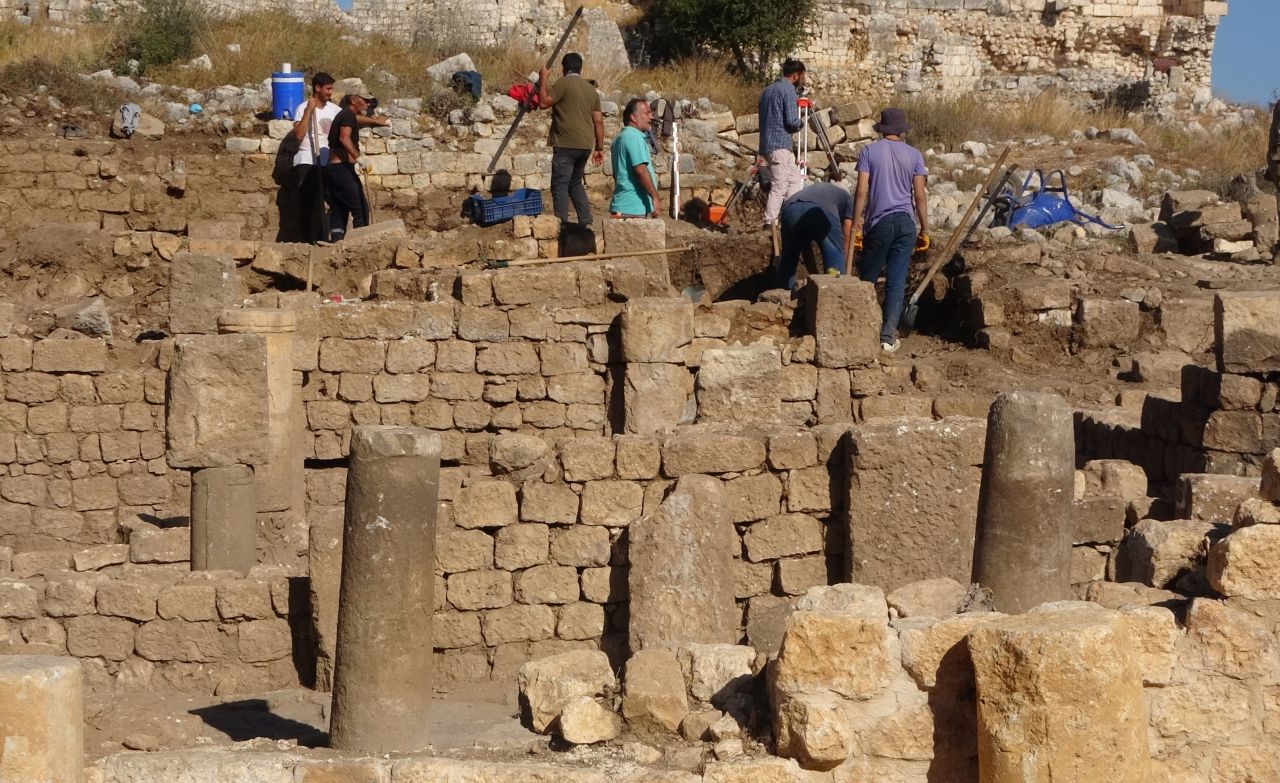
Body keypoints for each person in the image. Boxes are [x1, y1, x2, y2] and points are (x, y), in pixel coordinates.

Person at [853, 107, 929, 354]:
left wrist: (856, 224)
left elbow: (862, 192)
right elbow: (919, 196)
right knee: (896, 281)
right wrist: (925, 229)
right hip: (906, 224)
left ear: (882, 129)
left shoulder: (869, 152)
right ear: (901, 130)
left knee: (867, 279)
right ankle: (887, 338)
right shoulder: (914, 155)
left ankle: (860, 331)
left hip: (879, 222)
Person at [538, 52, 605, 227]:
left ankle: (562, 226)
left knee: (560, 184)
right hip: (585, 145)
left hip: (566, 144)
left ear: (563, 68)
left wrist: (543, 78)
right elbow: (598, 121)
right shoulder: (591, 90)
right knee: (575, 183)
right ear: (580, 68)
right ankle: (586, 221)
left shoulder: (563, 83)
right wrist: (599, 148)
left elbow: (544, 102)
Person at [323, 93, 382, 242]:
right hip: (341, 169)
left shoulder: (345, 115)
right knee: (361, 208)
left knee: (339, 207)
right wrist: (359, 158)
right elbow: (344, 137)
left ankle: (336, 242)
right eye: (365, 100)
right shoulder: (348, 114)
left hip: (334, 169)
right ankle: (361, 244)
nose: (367, 104)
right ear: (354, 100)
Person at [758, 58, 808, 227]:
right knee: (779, 185)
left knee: (794, 180)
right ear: (796, 75)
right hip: (780, 144)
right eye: (803, 76)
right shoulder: (788, 91)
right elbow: (792, 122)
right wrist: (802, 121)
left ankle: (791, 217)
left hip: (767, 144)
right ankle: (769, 222)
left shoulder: (767, 91)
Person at [775, 182, 853, 290]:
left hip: (791, 209)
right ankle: (834, 291)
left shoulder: (815, 190)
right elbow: (847, 229)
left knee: (788, 258)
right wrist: (843, 258)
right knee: (834, 254)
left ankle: (782, 295)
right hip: (821, 210)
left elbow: (806, 250)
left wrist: (815, 276)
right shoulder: (847, 197)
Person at [291, 72, 340, 243]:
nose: (330, 92)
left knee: (333, 201)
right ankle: (306, 242)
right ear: (318, 88)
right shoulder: (302, 108)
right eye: (327, 88)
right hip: (307, 161)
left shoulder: (335, 110)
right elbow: (298, 134)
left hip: (328, 162)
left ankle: (329, 238)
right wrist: (308, 111)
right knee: (308, 204)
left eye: (331, 88)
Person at [609, 99, 661, 218]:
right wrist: (655, 196)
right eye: (647, 113)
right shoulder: (634, 137)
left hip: (621, 206)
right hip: (634, 208)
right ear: (634, 117)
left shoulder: (619, 138)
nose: (651, 117)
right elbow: (640, 170)